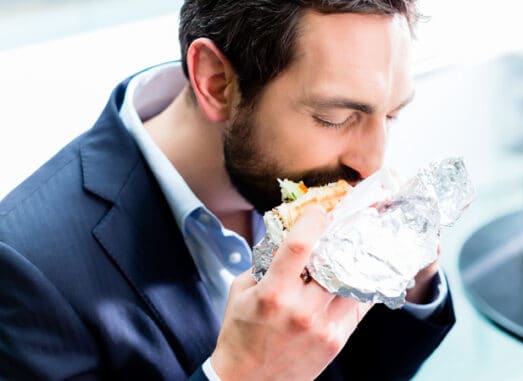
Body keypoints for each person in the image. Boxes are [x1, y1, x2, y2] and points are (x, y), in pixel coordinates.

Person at [0, 1, 455, 380]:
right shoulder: (25, 268)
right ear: (216, 83)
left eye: (391, 116)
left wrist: (410, 284)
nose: (373, 164)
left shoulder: (317, 177)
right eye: (334, 118)